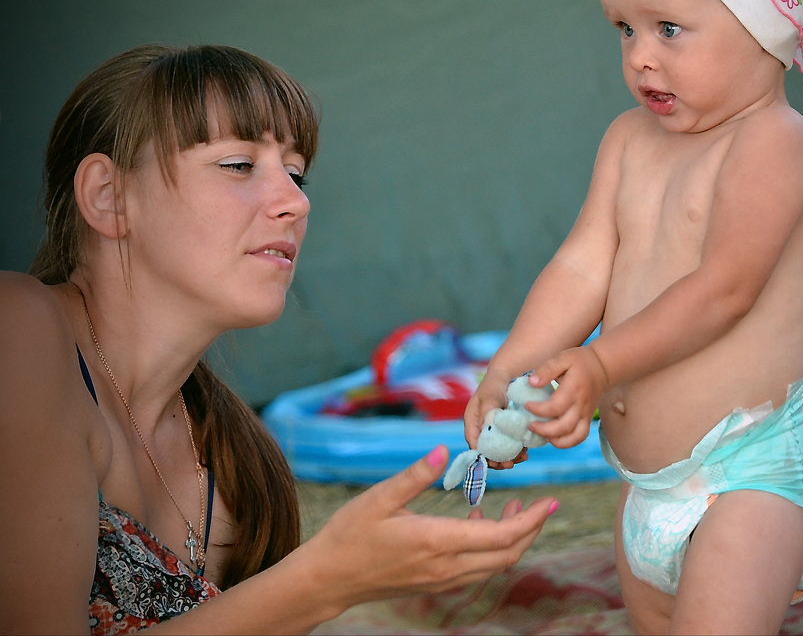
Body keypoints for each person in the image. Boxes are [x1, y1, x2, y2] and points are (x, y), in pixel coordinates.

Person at [0, 44, 559, 635]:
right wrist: (323, 581)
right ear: (108, 196)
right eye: (238, 165)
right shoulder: (20, 328)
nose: (295, 202)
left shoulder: (240, 466)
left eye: (295, 173)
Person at [463, 0, 803, 634]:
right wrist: (510, 365)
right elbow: (583, 263)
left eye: (669, 29)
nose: (640, 56)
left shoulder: (772, 143)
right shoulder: (628, 140)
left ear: (767, 25)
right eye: (624, 29)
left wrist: (598, 364)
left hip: (745, 480)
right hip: (649, 491)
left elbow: (726, 289)